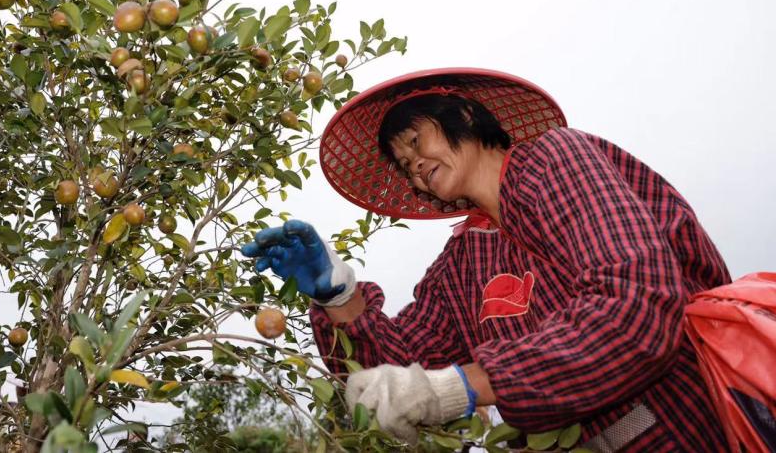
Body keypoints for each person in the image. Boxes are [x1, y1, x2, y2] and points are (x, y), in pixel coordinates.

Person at [240, 68, 731, 451]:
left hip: (682, 431)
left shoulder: (554, 159)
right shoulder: (464, 260)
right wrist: (339, 296)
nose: (415, 168)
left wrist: (464, 384)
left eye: (416, 142)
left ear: (467, 118)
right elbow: (400, 373)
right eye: (405, 164)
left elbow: (637, 304)